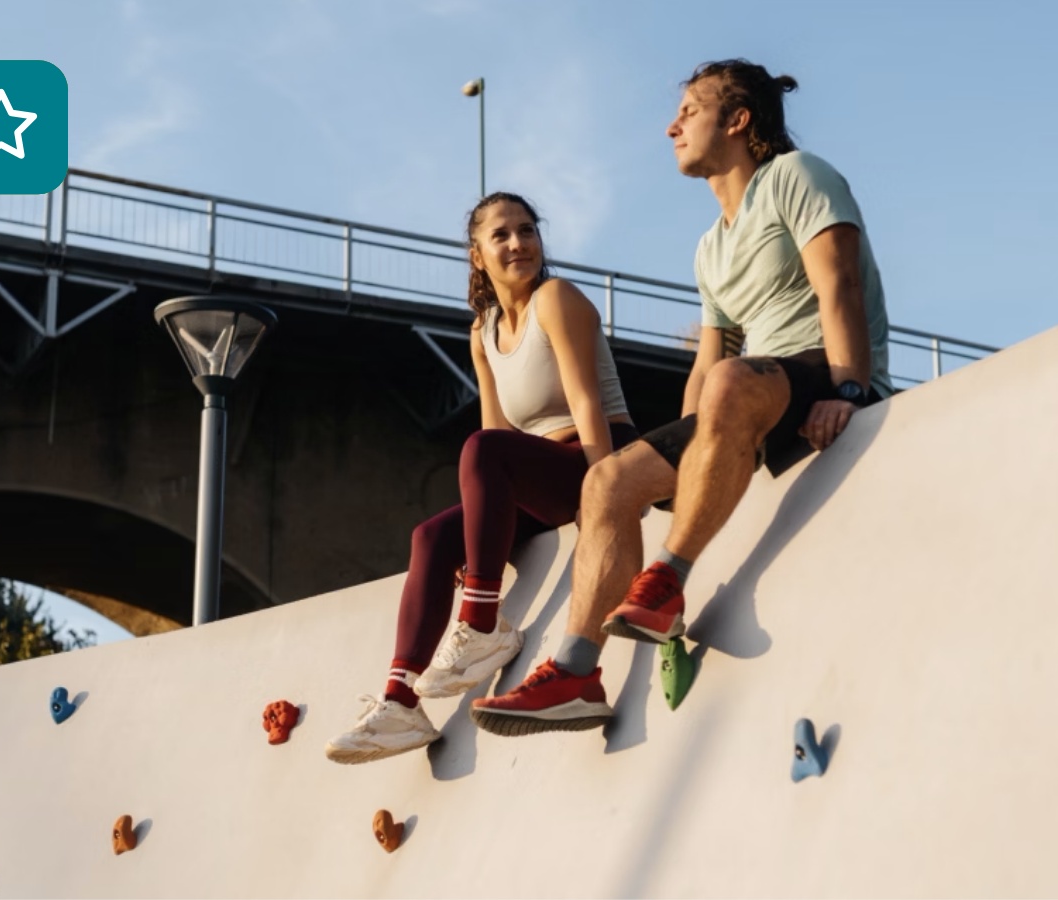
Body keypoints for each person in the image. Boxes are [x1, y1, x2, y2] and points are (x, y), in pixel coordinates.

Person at [471, 59, 894, 735]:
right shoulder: (710, 247)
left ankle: (667, 579)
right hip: (747, 397)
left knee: (730, 382)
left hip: (816, 370)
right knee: (606, 479)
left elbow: (838, 284)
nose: (672, 126)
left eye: (689, 112)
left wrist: (850, 387)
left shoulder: (797, 176)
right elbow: (706, 366)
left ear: (737, 119)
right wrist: (688, 453)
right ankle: (577, 671)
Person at [325, 192, 638, 763]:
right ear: (477, 254)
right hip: (535, 472)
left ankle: (480, 621)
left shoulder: (557, 299)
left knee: (483, 449)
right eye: (501, 235)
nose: (519, 243)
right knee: (431, 538)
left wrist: (606, 489)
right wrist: (478, 542)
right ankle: (399, 703)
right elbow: (499, 440)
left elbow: (588, 404)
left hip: (595, 453)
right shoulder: (484, 332)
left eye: (527, 230)